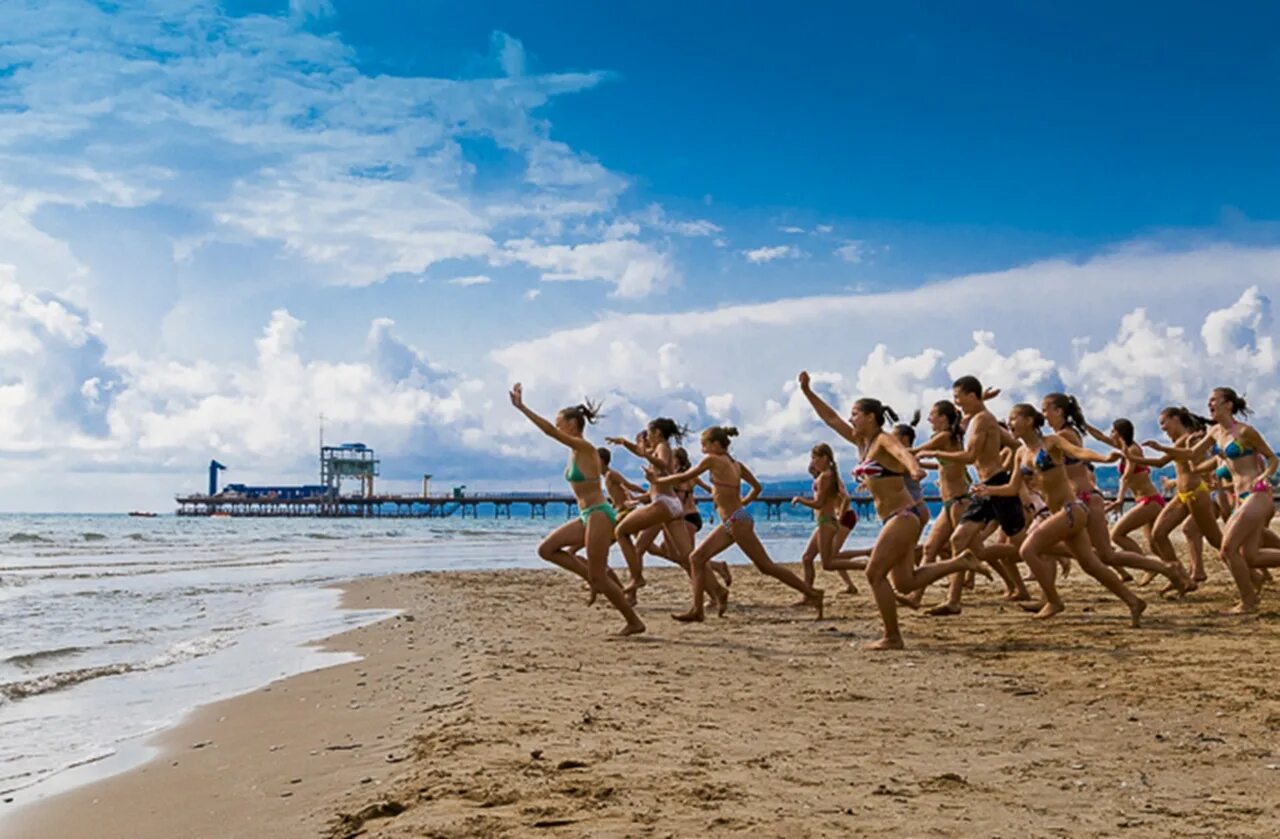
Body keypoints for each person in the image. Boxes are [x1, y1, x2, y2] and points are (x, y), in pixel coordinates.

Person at [798, 372, 987, 650]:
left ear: (871, 417)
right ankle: (961, 562)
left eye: (856, 414)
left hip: (903, 516)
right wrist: (807, 392)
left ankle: (892, 636)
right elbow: (831, 419)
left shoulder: (883, 440)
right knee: (905, 583)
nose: (851, 419)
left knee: (874, 574)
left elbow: (902, 453)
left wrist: (914, 468)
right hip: (894, 517)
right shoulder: (862, 443)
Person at [972, 403, 1147, 626]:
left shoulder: (1051, 444)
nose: (1009, 423)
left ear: (1029, 421)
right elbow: (1014, 487)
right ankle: (1134, 601)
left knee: (1028, 549)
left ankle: (1054, 601)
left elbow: (1078, 452)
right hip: (1061, 515)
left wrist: (1104, 459)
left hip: (1071, 509)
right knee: (1092, 565)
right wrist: (988, 490)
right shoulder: (1020, 453)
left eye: (1013, 418)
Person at [508, 384, 644, 636]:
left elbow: (548, 431)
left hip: (600, 514)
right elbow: (552, 432)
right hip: (586, 515)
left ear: (572, 425)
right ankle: (595, 576)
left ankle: (633, 621)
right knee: (546, 549)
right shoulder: (574, 452)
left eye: (560, 423)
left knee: (599, 578)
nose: (557, 427)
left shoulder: (586, 448)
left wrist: (522, 407)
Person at [656, 426, 824, 622]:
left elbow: (685, 476)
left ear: (716, 444)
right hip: (735, 519)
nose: (702, 448)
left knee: (766, 566)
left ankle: (812, 593)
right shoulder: (736, 464)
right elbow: (757, 487)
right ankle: (698, 610)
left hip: (736, 521)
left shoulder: (713, 460)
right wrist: (743, 502)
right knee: (696, 558)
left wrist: (661, 480)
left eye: (704, 444)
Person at [1042, 395, 1186, 592]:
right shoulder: (1118, 446)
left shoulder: (1131, 449)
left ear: (1058, 411)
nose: (1043, 416)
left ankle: (1162, 569)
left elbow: (1119, 473)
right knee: (1113, 552)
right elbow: (1099, 438)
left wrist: (1117, 495)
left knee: (1115, 539)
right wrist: (1085, 424)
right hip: (1108, 499)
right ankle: (1164, 570)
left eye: (1045, 410)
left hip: (1135, 499)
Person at [914, 376, 1026, 616]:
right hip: (985, 486)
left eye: (958, 397)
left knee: (1024, 546)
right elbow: (1013, 446)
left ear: (971, 397)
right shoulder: (977, 420)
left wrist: (1011, 473)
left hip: (995, 486)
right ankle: (951, 601)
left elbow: (972, 455)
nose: (956, 403)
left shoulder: (984, 420)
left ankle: (1052, 549)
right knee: (958, 542)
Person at [607, 419, 696, 599]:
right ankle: (717, 591)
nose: (647, 436)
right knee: (687, 557)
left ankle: (636, 578)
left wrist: (646, 457)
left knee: (621, 531)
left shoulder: (662, 447)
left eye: (649, 433)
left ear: (657, 432)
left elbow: (661, 463)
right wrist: (624, 443)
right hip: (670, 504)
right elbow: (642, 453)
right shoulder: (657, 449)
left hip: (665, 503)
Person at [792, 443, 865, 592]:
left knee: (829, 562)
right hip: (824, 522)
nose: (812, 462)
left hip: (829, 521)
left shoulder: (826, 477)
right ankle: (809, 594)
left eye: (814, 458)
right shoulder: (828, 475)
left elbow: (820, 504)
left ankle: (868, 563)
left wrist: (800, 500)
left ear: (824, 458)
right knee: (807, 558)